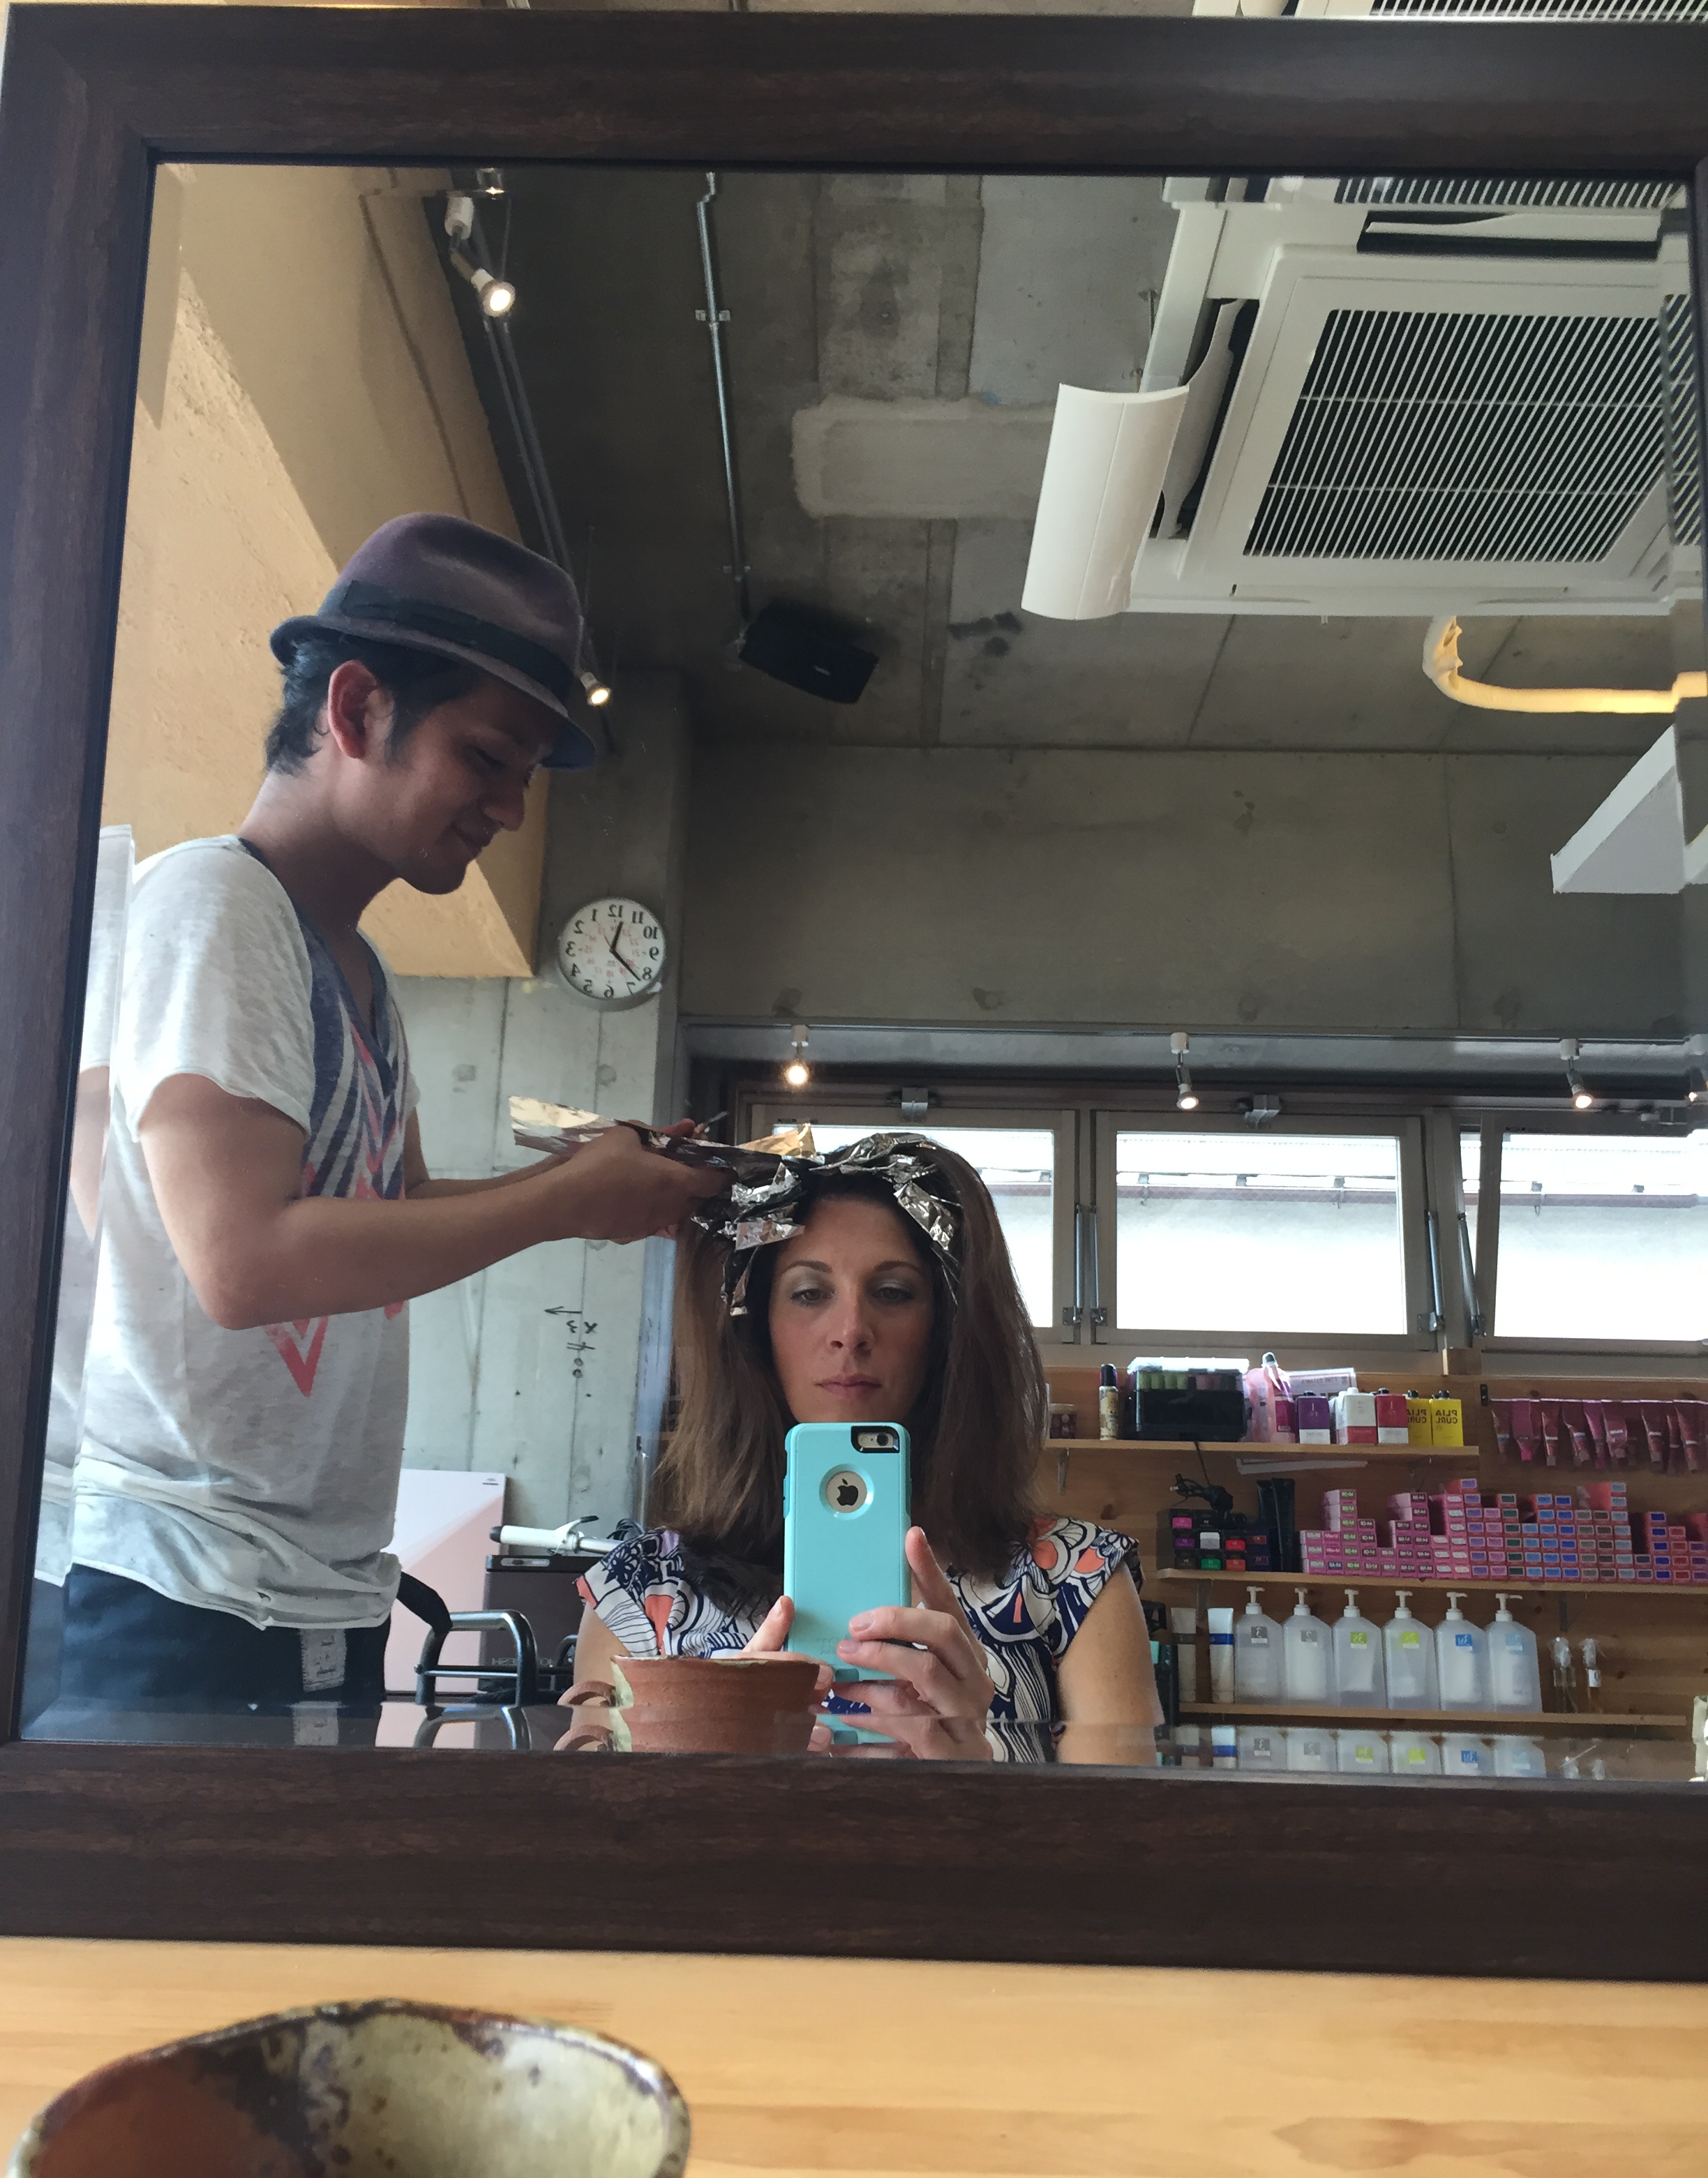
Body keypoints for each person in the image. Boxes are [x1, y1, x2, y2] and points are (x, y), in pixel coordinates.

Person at [52, 513, 728, 1721]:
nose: (509, 808)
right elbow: (246, 1262)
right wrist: (565, 1201)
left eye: (524, 773)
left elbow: (391, 1209)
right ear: (357, 708)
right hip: (188, 1580)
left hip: (315, 1580)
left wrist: (593, 1188)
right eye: (488, 757)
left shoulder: (354, 965)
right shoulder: (216, 902)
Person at [569, 1135, 1162, 1761]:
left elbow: (1124, 1827)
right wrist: (731, 1777)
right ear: (759, 1327)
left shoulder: (1073, 1579)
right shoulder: (641, 1590)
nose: (851, 1332)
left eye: (893, 1292)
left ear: (945, 1329)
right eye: (809, 1293)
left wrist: (975, 1784)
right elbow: (590, 1821)